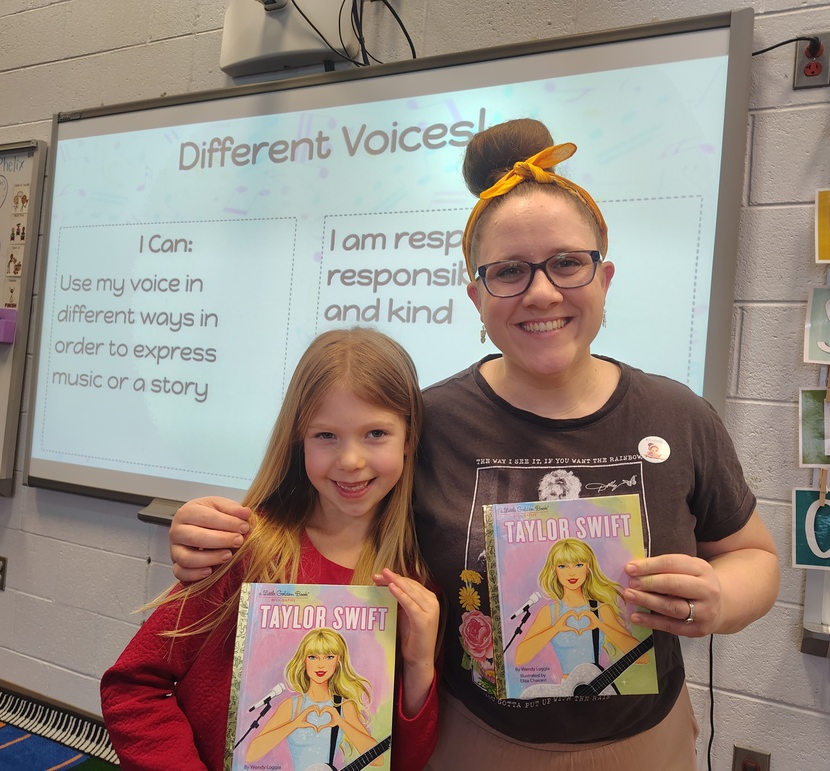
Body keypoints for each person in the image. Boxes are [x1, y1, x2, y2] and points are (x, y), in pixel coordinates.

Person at [167, 118, 780, 769]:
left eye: (568, 263)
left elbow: (754, 557)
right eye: (509, 271)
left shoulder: (677, 414)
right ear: (475, 295)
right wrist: (216, 531)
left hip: (644, 743)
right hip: (473, 742)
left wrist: (721, 596)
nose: (542, 291)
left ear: (604, 277)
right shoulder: (427, 422)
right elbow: (323, 523)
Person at [100, 328, 439, 771]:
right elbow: (134, 686)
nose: (351, 460)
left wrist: (418, 668)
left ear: (409, 438)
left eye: (376, 433)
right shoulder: (249, 550)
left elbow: (403, 759)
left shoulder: (414, 579)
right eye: (326, 436)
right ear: (298, 438)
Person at [246, 628, 380, 769]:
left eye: (329, 657)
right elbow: (251, 755)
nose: (320, 664)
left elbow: (378, 760)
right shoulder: (291, 706)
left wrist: (341, 722)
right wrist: (294, 724)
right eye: (313, 657)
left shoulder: (343, 706)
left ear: (338, 660)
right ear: (304, 659)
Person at [514, 538, 638, 679]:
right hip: (566, 688)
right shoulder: (550, 612)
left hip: (596, 685)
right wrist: (555, 628)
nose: (571, 573)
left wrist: (600, 625)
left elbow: (642, 658)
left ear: (588, 567)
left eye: (578, 565)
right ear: (554, 570)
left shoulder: (600, 609)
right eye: (563, 566)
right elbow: (520, 658)